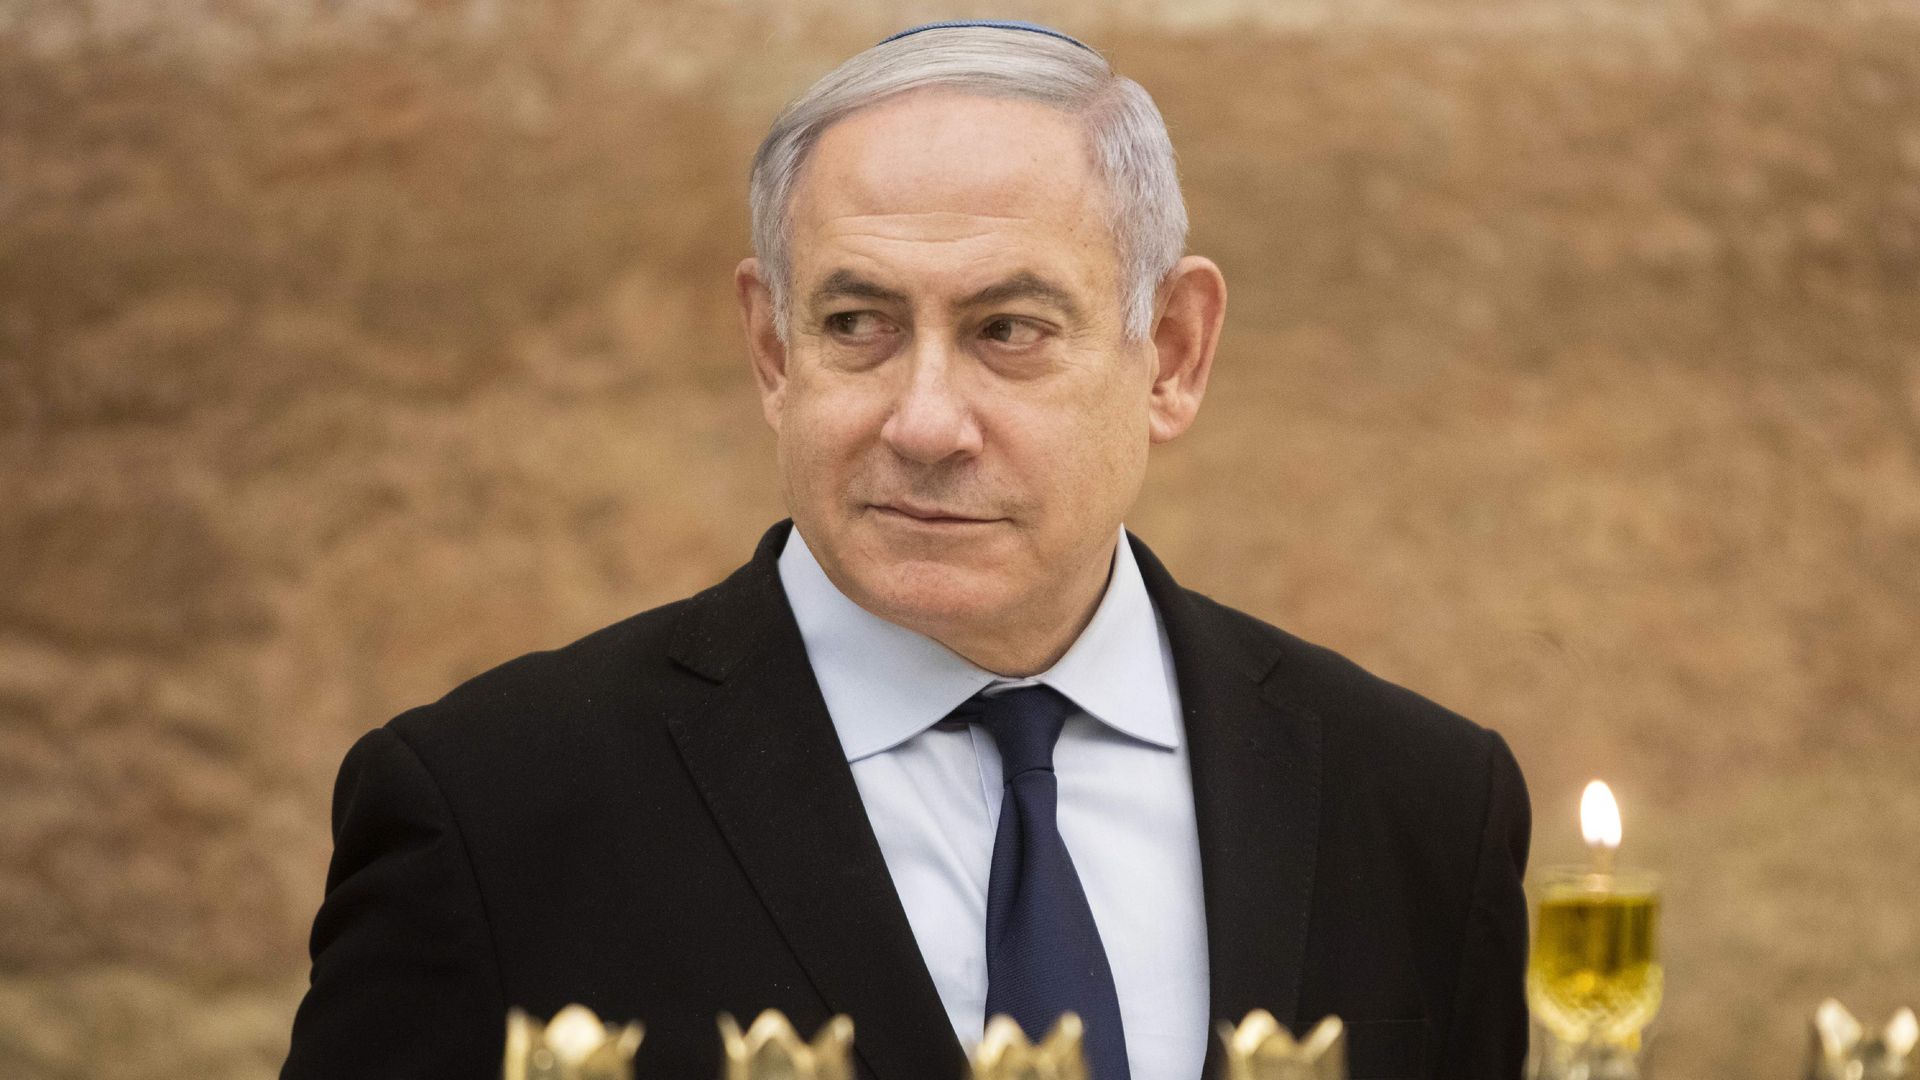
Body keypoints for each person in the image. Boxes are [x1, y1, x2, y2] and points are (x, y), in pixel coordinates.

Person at [281, 20, 1530, 1080]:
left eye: (1009, 328)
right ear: (774, 352)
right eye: (857, 322)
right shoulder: (496, 813)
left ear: (1176, 353)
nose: (924, 421)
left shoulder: (1418, 805)